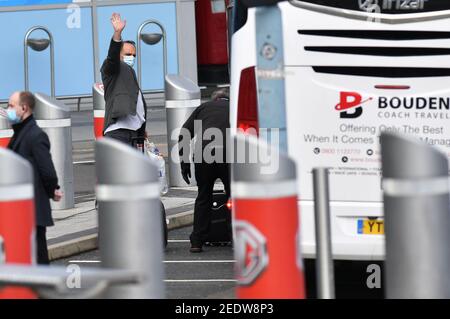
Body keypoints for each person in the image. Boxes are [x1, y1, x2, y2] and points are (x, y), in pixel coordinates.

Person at [6, 91, 62, 265]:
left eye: (11, 105)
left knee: (38, 257)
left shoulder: (35, 135)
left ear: (24, 108)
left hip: (33, 208)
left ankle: (44, 291)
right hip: (22, 208)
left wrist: (53, 188)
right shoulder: (20, 133)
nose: (7, 109)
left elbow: (47, 170)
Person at [179, 88, 231, 253]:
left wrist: (184, 162)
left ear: (214, 99)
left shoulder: (203, 108)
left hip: (203, 155)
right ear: (227, 100)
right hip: (228, 154)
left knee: (203, 197)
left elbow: (184, 133)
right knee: (234, 196)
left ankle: (197, 241)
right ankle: (236, 236)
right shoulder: (233, 108)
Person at [101, 12, 147, 146]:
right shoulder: (112, 68)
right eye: (127, 54)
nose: (131, 57)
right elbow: (112, 58)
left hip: (133, 134)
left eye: (134, 55)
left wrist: (141, 129)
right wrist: (117, 34)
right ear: (119, 55)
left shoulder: (130, 73)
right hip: (117, 133)